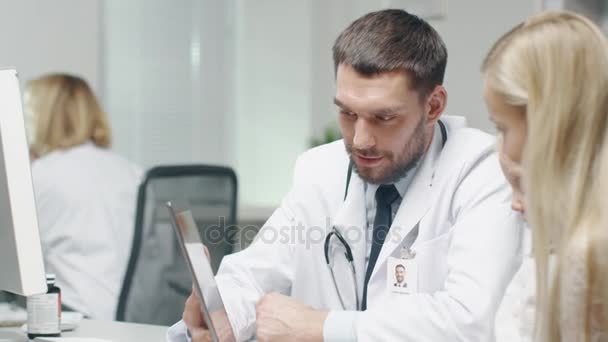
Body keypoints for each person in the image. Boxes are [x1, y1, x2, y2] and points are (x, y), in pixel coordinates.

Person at [168, 9, 522, 341]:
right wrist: (225, 309)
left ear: (433, 106)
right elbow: (259, 267)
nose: (361, 140)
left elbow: (470, 320)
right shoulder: (320, 169)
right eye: (348, 114)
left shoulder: (484, 172)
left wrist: (321, 326)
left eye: (383, 118)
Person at [482, 11, 608, 341]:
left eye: (503, 128)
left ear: (546, 124)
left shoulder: (583, 262)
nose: (503, 146)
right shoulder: (564, 243)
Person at [25, 73, 142, 320]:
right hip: (136, 320)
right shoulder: (131, 171)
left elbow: (16, 253)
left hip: (79, 318)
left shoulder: (43, 175)